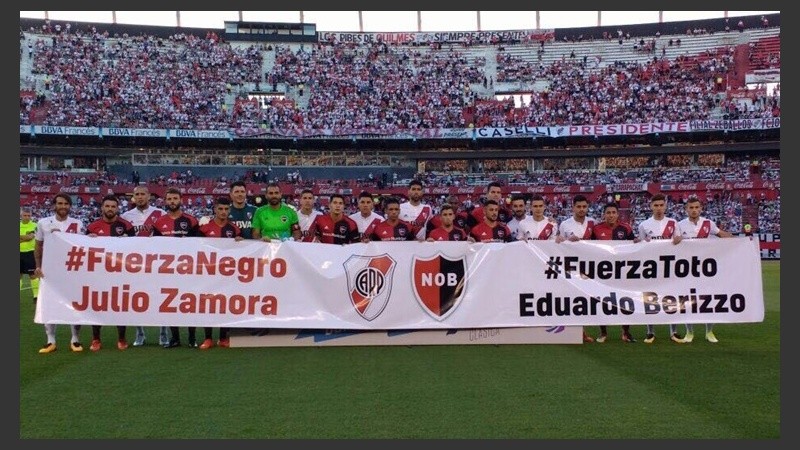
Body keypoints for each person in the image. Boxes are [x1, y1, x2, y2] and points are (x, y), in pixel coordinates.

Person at [673, 197, 735, 343]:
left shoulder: (708, 223)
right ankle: (689, 332)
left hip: (706, 268)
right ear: (686, 209)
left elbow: (722, 234)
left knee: (709, 299)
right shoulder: (679, 225)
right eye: (691, 208)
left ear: (701, 208)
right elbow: (672, 242)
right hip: (687, 268)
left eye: (696, 207)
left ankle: (709, 331)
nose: (694, 210)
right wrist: (677, 240)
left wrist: (742, 240)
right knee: (688, 300)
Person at [34, 193, 85, 354]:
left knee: (75, 304)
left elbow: (84, 246)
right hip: (50, 270)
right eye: (60, 203)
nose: (63, 206)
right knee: (49, 303)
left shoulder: (78, 224)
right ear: (54, 205)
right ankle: (51, 340)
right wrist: (38, 266)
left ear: (70, 206)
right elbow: (38, 246)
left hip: (72, 270)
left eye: (66, 204)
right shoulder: (43, 223)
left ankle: (75, 339)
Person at [85, 195, 135, 351]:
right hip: (99, 272)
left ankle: (121, 338)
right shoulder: (93, 227)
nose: (110, 209)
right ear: (102, 208)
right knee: (97, 305)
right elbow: (85, 249)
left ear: (117, 208)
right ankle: (96, 339)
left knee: (120, 305)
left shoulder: (126, 226)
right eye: (107, 206)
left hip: (120, 272)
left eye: (113, 206)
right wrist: (88, 240)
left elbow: (136, 249)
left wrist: (128, 241)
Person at [121, 185, 168, 347]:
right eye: (137, 195)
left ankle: (163, 332)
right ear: (133, 197)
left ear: (149, 196)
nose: (140, 197)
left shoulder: (160, 214)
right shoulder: (126, 216)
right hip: (135, 264)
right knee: (136, 298)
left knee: (162, 296)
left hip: (157, 262)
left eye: (143, 194)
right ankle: (140, 332)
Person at [152, 188, 200, 348]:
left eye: (175, 198)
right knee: (170, 303)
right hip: (168, 270)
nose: (172, 201)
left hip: (189, 269)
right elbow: (155, 247)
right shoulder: (159, 223)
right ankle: (175, 338)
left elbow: (200, 246)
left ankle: (192, 338)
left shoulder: (192, 221)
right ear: (165, 201)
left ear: (181, 200)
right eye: (169, 199)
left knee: (189, 303)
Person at [636, 193, 684, 344]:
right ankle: (650, 332)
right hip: (651, 268)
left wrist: (679, 239)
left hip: (670, 267)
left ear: (665, 206)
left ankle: (674, 331)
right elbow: (641, 246)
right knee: (650, 298)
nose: (658, 208)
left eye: (661, 205)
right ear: (651, 206)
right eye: (655, 205)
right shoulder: (644, 225)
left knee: (672, 298)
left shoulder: (673, 223)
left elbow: (680, 242)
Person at [197, 197, 243, 349]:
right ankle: (208, 338)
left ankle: (223, 337)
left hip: (227, 273)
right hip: (208, 272)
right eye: (220, 209)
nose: (223, 212)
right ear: (215, 209)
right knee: (208, 304)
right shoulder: (204, 228)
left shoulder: (234, 229)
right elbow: (196, 248)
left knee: (225, 304)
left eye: (226, 209)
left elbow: (240, 250)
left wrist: (240, 242)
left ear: (229, 210)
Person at [591, 202, 636, 343]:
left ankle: (626, 332)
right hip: (602, 273)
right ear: (604, 214)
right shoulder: (597, 229)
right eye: (608, 213)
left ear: (618, 214)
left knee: (625, 301)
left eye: (613, 213)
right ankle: (603, 332)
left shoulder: (626, 228)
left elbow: (635, 247)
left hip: (622, 271)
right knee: (602, 301)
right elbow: (588, 248)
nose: (611, 215)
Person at [555, 194, 597, 343]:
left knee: (586, 299)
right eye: (578, 206)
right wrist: (563, 239)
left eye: (584, 206)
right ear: (573, 207)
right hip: (571, 267)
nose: (581, 209)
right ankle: (576, 331)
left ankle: (583, 330)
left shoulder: (593, 223)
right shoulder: (565, 224)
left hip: (589, 267)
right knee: (572, 297)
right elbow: (558, 243)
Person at [20, 206, 39, 304]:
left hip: (30, 253)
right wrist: (25, 237)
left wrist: (23, 238)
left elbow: (30, 237)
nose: (27, 217)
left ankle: (36, 296)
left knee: (33, 276)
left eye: (29, 215)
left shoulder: (35, 225)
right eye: (25, 215)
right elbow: (27, 237)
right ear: (21, 215)